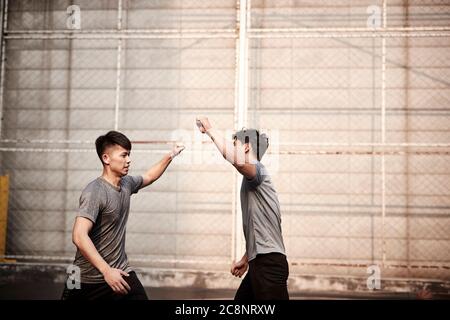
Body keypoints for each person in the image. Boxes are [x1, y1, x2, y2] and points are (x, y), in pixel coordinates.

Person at [61, 131, 184, 300]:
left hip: (120, 271)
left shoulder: (126, 184)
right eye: (124, 155)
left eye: (129, 155)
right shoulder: (95, 192)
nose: (129, 160)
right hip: (85, 279)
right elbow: (79, 235)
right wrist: (106, 271)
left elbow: (149, 176)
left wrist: (171, 155)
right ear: (106, 158)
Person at [196, 117, 289, 300]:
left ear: (246, 147)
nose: (232, 148)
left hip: (269, 264)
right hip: (260, 261)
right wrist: (246, 259)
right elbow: (265, 227)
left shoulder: (258, 170)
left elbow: (236, 161)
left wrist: (210, 130)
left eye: (235, 144)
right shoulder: (254, 180)